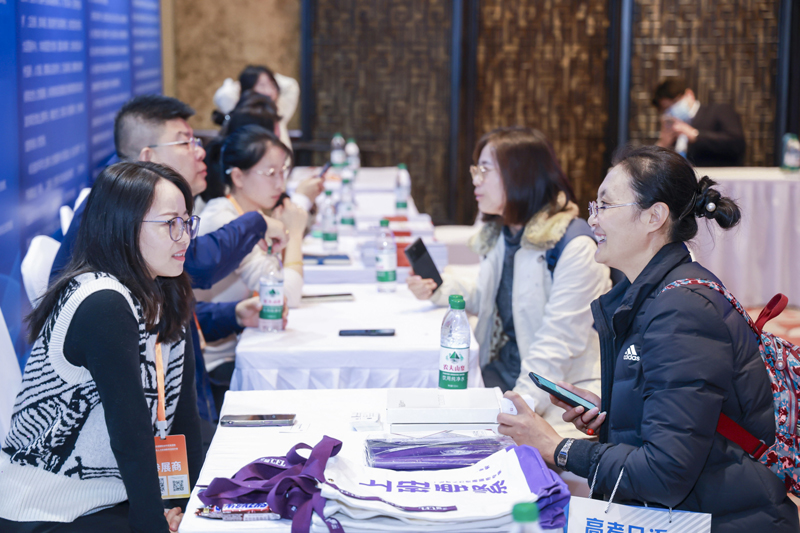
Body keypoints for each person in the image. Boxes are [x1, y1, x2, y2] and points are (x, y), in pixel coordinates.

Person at [498, 145, 798, 531]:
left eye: (605, 205)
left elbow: (665, 472)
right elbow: (685, 418)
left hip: (724, 521)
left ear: (654, 217)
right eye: (594, 206)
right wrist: (614, 414)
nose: (592, 219)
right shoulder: (657, 293)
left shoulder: (682, 310)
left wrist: (558, 448)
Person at [49, 95, 288, 429]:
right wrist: (257, 222)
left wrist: (231, 315)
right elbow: (200, 264)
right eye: (185, 142)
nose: (199, 151)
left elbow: (165, 316)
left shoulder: (153, 218)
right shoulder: (115, 219)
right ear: (148, 157)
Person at [0, 162, 203, 532]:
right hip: (51, 507)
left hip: (117, 496)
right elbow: (130, 434)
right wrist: (154, 525)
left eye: (187, 221)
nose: (185, 236)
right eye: (170, 223)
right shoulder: (102, 302)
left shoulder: (166, 291)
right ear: (123, 226)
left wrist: (185, 508)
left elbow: (182, 413)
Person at [407, 127, 610, 438]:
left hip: (552, 398)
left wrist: (515, 408)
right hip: (497, 377)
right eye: (475, 170)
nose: (475, 180)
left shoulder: (574, 246)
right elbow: (489, 296)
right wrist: (440, 288)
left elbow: (557, 344)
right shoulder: (506, 232)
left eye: (485, 170)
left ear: (520, 174)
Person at [196, 125, 307, 405]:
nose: (280, 184)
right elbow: (286, 294)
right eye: (271, 173)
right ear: (237, 177)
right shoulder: (224, 220)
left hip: (244, 343)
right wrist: (295, 233)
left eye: (283, 172)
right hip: (218, 363)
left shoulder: (252, 213)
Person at [653, 78, 745, 166]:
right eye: (667, 108)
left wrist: (695, 135)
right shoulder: (670, 129)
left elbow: (736, 143)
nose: (673, 109)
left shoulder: (718, 111)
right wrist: (662, 144)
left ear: (689, 94)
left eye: (675, 102)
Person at [213, 65, 299, 148]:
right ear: (248, 88)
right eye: (262, 85)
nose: (269, 91)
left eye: (272, 85)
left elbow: (291, 85)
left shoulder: (279, 110)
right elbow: (224, 94)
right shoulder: (241, 114)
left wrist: (266, 75)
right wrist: (243, 83)